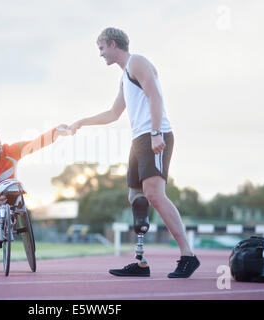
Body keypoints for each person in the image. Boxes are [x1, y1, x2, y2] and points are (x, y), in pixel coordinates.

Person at [68, 27, 200, 278]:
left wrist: (155, 133)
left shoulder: (137, 62)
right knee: (136, 197)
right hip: (139, 140)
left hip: (154, 135)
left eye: (102, 48)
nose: (101, 54)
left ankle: (188, 255)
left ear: (113, 44)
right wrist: (81, 122)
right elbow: (113, 114)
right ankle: (140, 262)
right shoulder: (124, 76)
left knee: (155, 195)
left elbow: (155, 96)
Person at [0, 125, 69, 261]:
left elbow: (35, 143)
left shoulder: (11, 151)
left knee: (16, 192)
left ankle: (6, 225)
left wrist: (56, 132)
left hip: (9, 193)